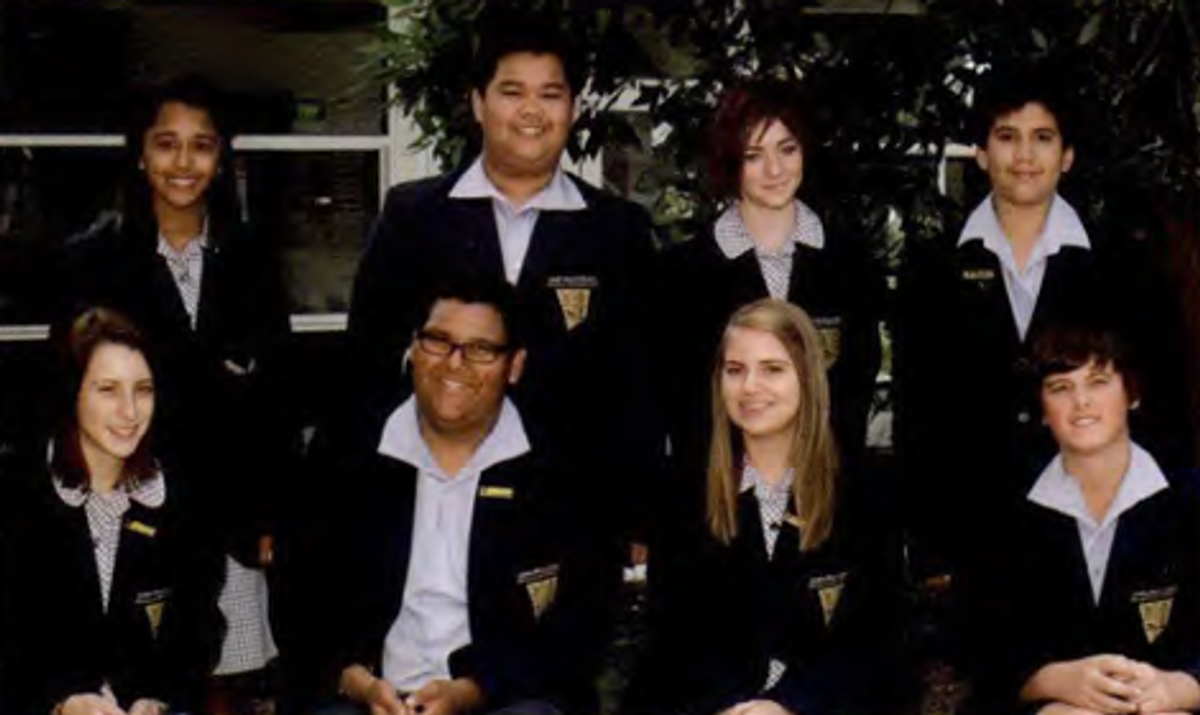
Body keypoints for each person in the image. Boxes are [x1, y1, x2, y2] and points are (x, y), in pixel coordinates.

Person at [894, 63, 1188, 582]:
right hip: (975, 534)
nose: (1025, 156)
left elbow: (1164, 401)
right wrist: (930, 541)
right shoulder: (933, 271)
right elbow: (916, 415)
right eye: (1007, 137)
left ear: (1067, 155)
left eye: (1043, 138)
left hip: (1097, 530)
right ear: (981, 153)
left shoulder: (1122, 267)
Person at [58, 75, 293, 714]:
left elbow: (277, 395)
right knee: (142, 681)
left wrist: (270, 511)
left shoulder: (251, 256)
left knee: (232, 685)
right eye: (166, 143)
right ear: (140, 153)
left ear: (222, 157)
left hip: (231, 510)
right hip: (132, 504)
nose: (183, 163)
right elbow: (69, 394)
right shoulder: (94, 258)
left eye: (202, 145)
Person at [304, 277, 598, 715]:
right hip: (367, 696)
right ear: (413, 348)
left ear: (514, 365)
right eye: (439, 341)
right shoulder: (350, 456)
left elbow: (582, 619)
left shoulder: (559, 471)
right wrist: (356, 681)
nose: (455, 363)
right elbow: (301, 596)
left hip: (507, 696)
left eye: (481, 349)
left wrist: (473, 690)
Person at [626, 299, 905, 715]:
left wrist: (790, 705)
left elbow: (881, 646)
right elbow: (669, 647)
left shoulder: (863, 495)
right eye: (735, 370)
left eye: (772, 369)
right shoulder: (683, 498)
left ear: (808, 377)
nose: (750, 386)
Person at [966, 321, 1199, 715]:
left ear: (1132, 394)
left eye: (1098, 381)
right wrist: (1052, 680)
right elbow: (982, 649)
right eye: (1060, 387)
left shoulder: (1189, 499)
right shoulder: (1004, 515)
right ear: (1042, 410)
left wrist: (1181, 687)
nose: (1081, 402)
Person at [0, 307, 223, 715]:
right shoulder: (17, 499)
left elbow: (197, 631)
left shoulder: (181, 502)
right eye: (108, 390)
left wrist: (157, 699)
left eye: (143, 390)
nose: (130, 411)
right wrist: (59, 703)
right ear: (71, 393)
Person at [658, 82, 884, 481]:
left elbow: (856, 388)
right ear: (731, 163)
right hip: (715, 495)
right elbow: (678, 404)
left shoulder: (850, 264)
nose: (774, 170)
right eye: (754, 155)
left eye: (787, 149)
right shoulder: (683, 273)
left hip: (826, 492)